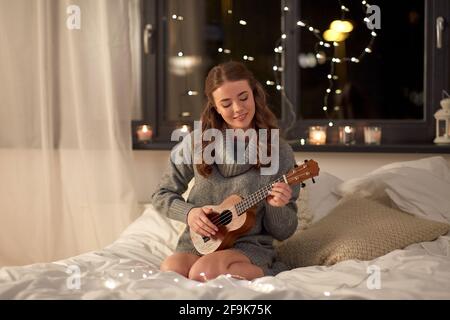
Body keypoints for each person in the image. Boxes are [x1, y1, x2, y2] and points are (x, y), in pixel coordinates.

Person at [151, 61, 300, 282]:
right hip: (202, 240)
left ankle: (273, 272)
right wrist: (190, 213)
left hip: (248, 246)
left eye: (243, 97)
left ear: (254, 95)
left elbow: (283, 232)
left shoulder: (279, 151)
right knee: (172, 271)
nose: (238, 109)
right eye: (226, 103)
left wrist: (276, 207)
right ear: (215, 107)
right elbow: (161, 195)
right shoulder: (195, 143)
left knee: (205, 272)